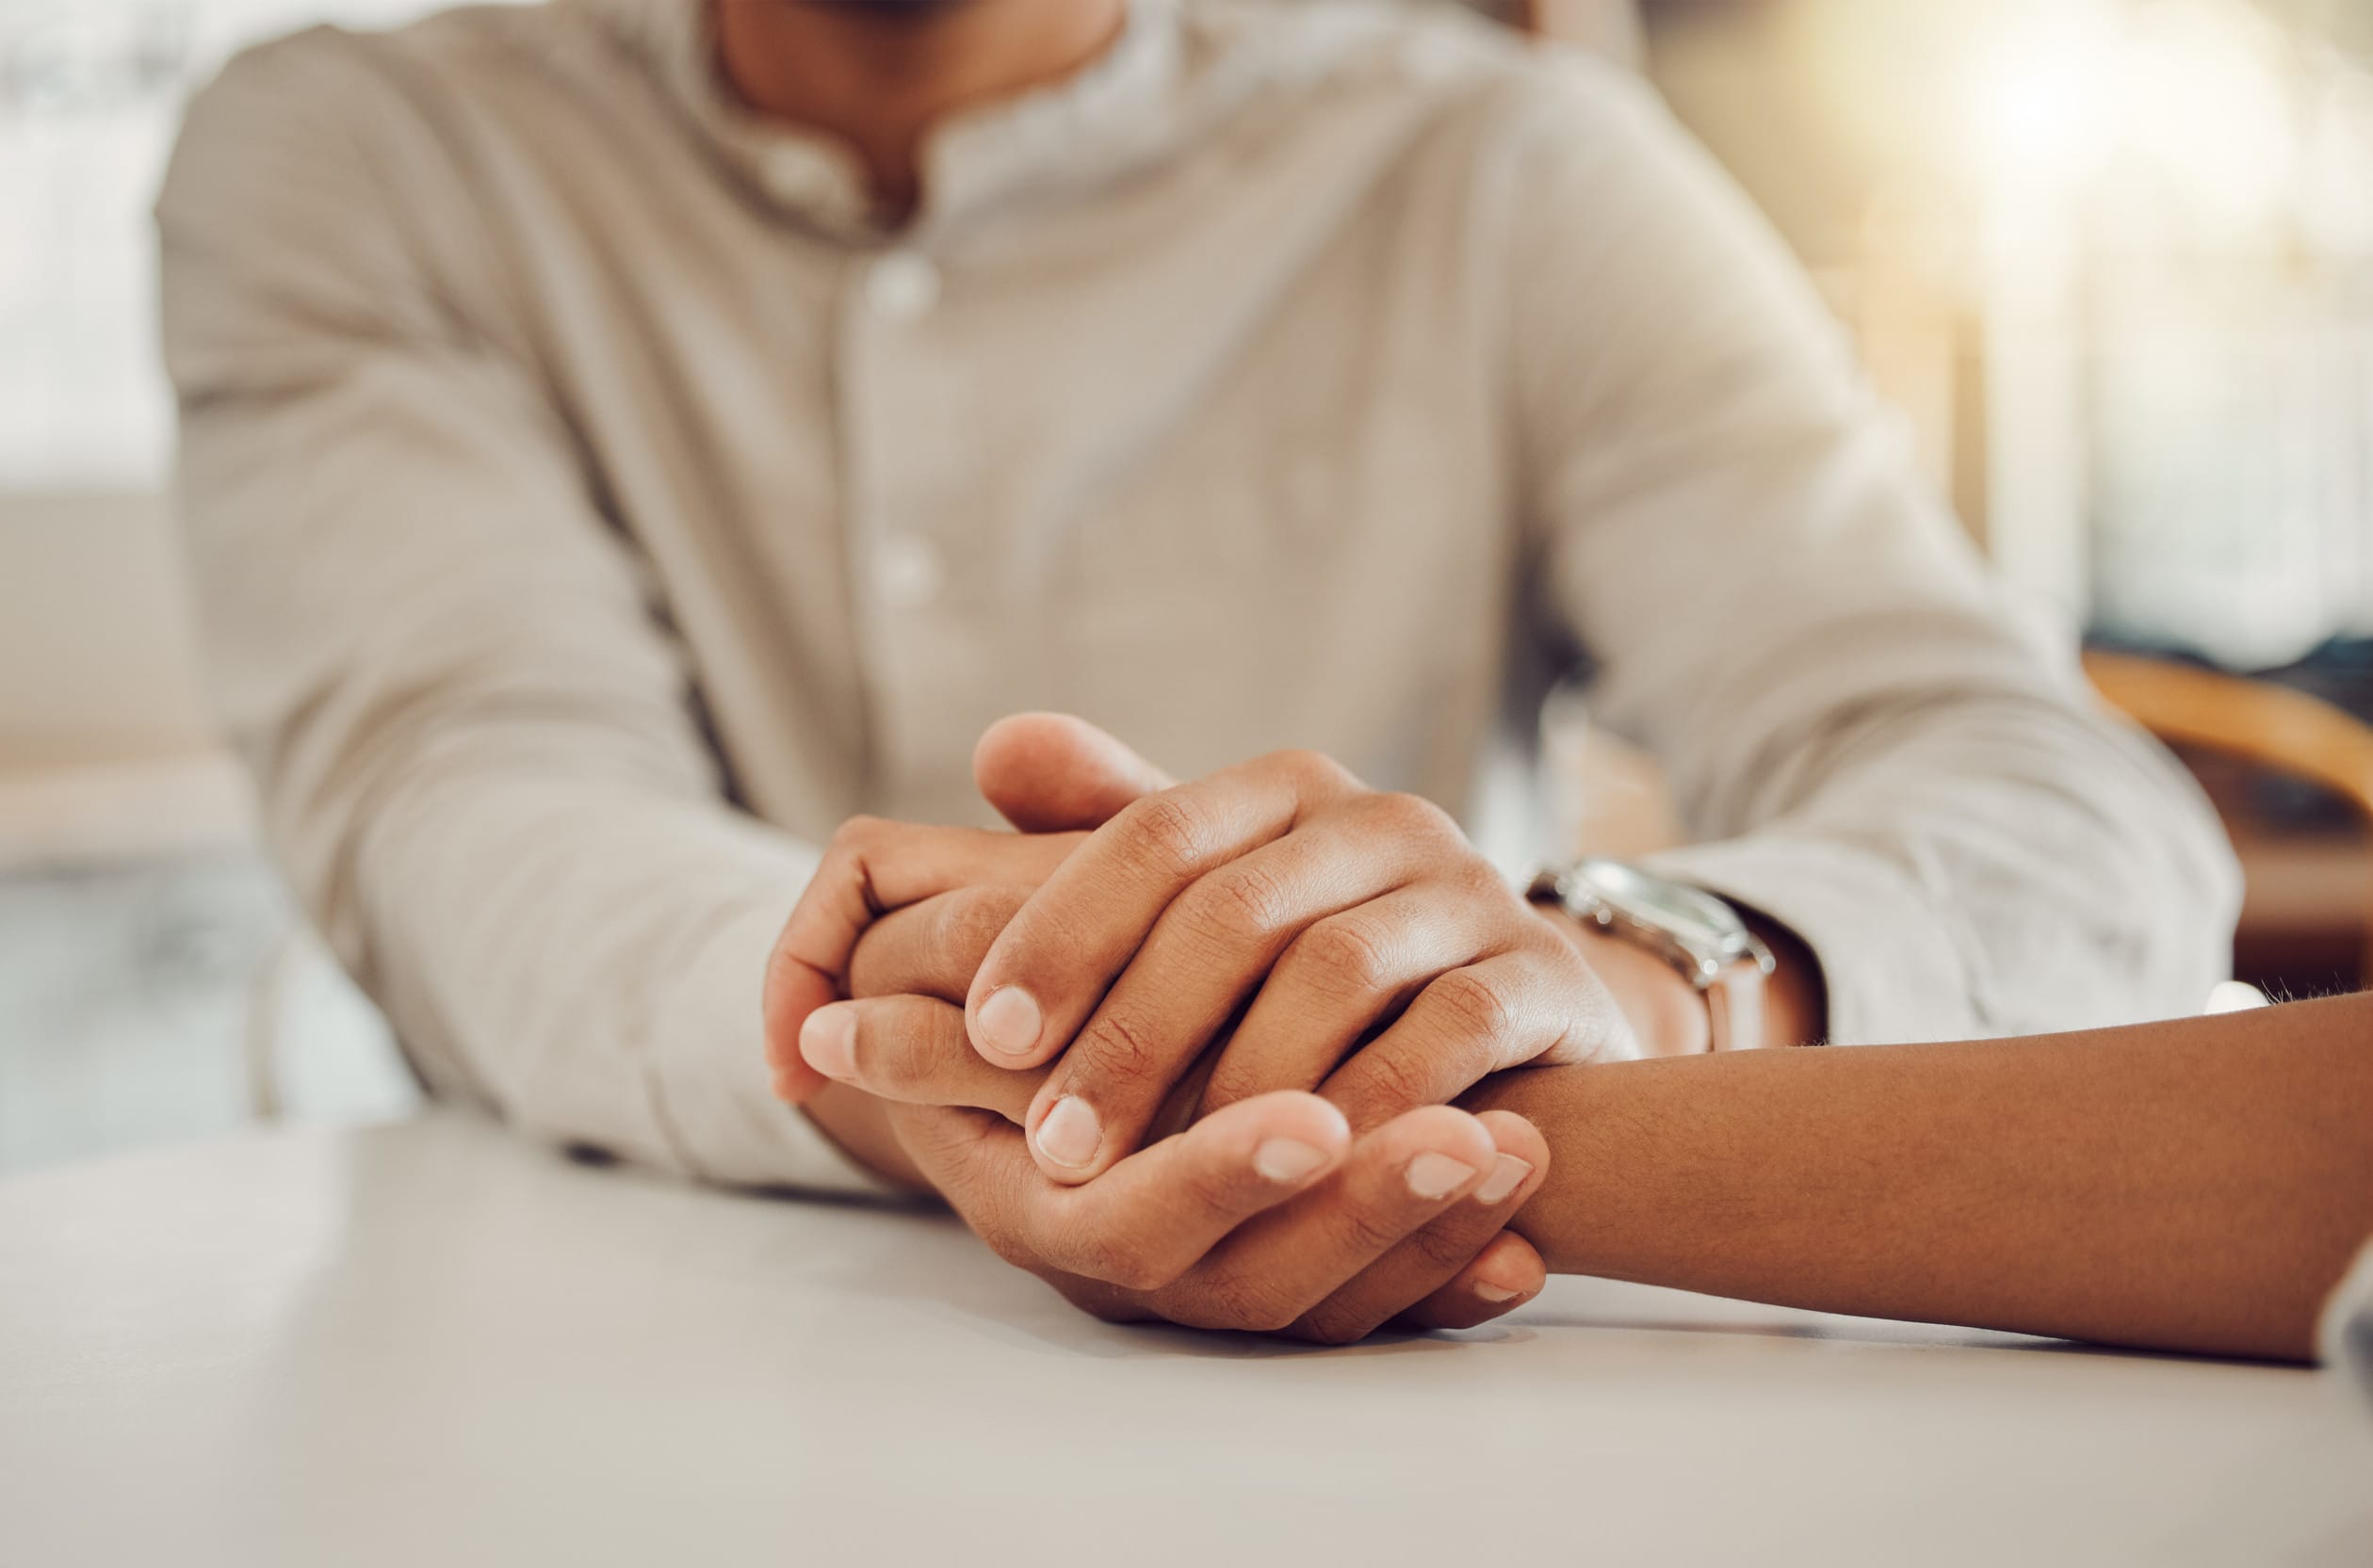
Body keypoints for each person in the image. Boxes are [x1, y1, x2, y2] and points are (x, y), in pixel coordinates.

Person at [159, 0, 2236, 1337]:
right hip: (579, 1421)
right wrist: (1000, 1038)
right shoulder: (357, 153)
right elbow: (471, 811)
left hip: (1428, 1407)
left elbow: (2056, 804)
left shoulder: (1513, 169)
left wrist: (1605, 978)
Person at [786, 716, 2373, 1366]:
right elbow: (536, 845)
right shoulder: (531, 186)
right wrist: (937, 1044)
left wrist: (1629, 976)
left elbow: (2091, 821)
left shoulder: (1503, 166)